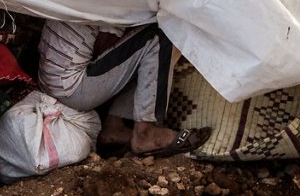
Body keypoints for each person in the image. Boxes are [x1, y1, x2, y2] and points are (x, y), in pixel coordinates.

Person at [37, 20, 211, 157]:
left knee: (137, 48)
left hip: (54, 83)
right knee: (160, 35)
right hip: (73, 88)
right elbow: (105, 50)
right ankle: (145, 132)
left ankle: (114, 127)